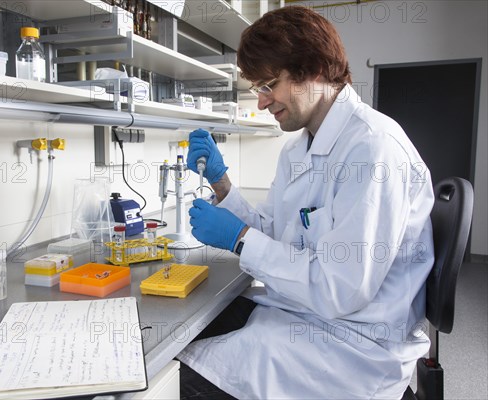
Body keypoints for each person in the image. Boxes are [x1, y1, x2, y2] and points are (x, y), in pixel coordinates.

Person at [177, 5, 435, 399]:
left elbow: (342, 289)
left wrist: (240, 239)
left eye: (269, 85)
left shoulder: (373, 148)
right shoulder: (298, 149)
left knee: (177, 383)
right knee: (183, 337)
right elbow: (281, 234)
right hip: (302, 312)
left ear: (313, 69)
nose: (262, 102)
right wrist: (222, 184)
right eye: (257, 89)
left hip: (353, 344)